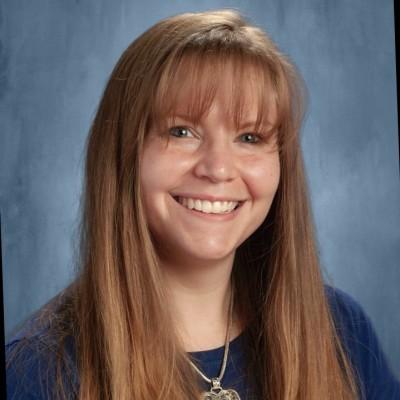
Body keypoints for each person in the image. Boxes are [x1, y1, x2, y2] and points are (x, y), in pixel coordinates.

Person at [5, 9, 400, 400]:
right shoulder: (35, 372)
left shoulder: (342, 331)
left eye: (250, 137)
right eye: (181, 131)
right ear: (124, 154)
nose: (218, 168)